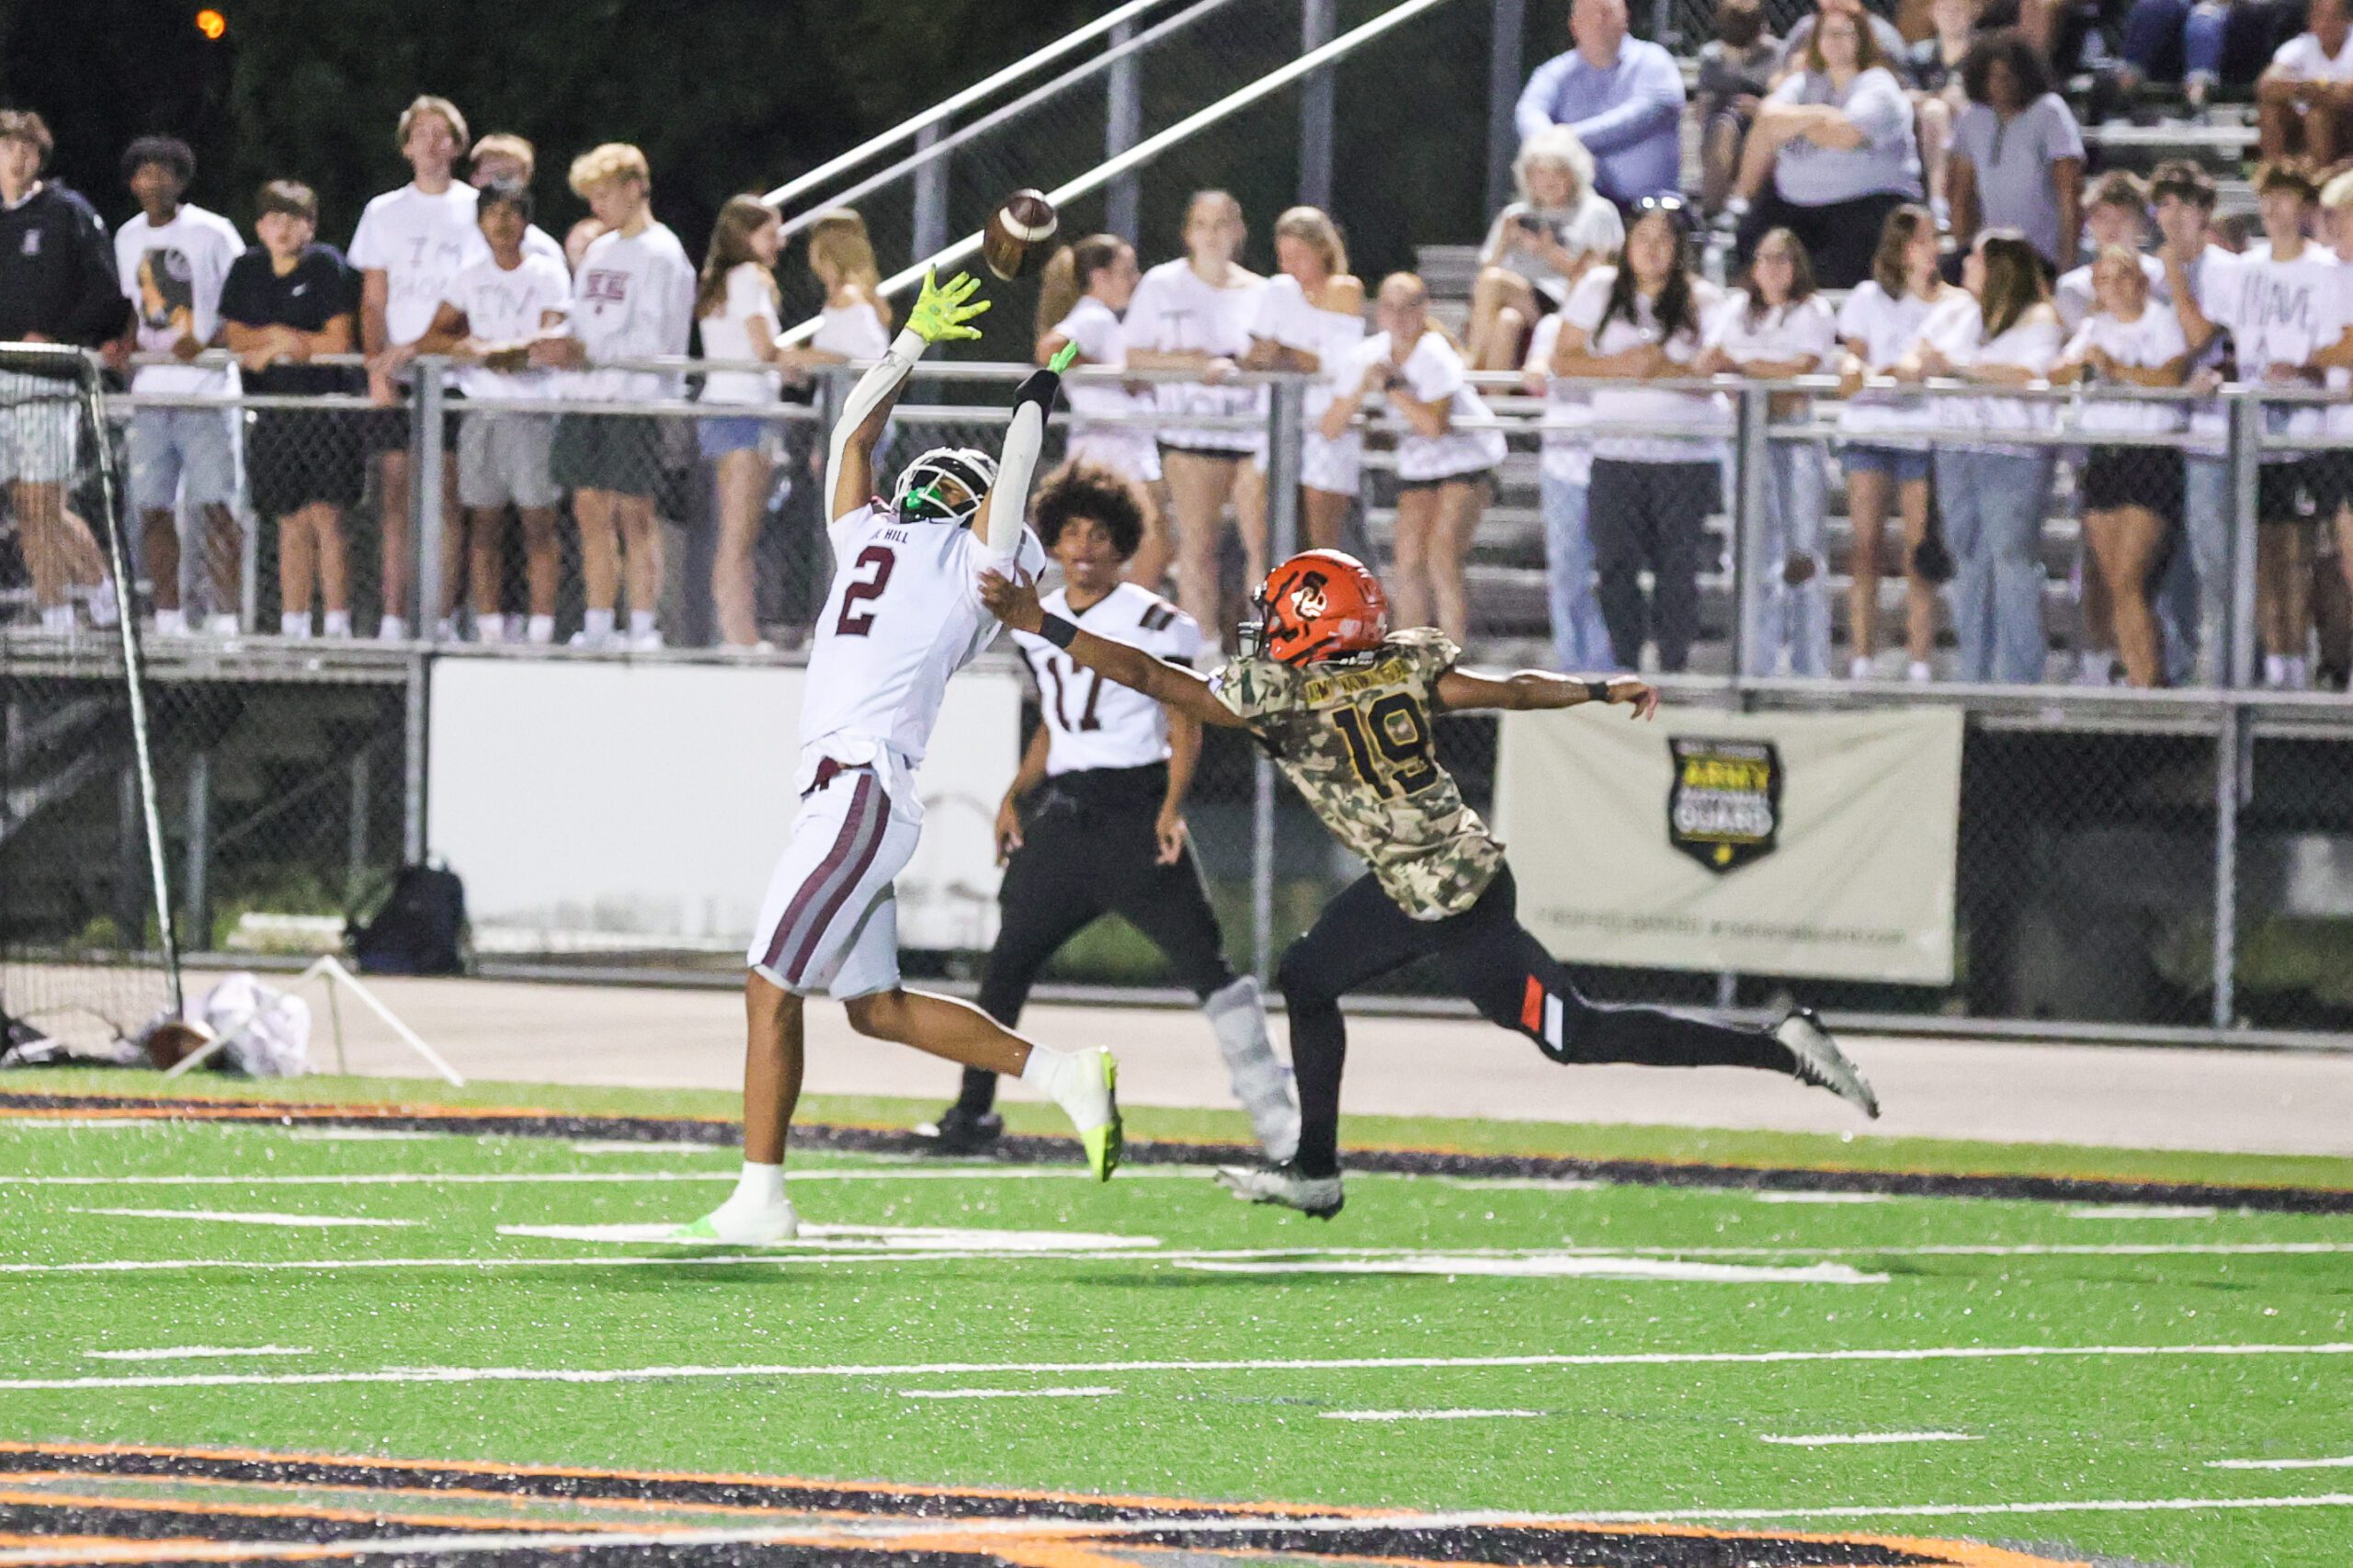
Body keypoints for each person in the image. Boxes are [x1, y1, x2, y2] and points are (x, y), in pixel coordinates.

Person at [978, 550, 1881, 1218]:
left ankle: (1780, 1044)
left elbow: (1148, 674)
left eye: (1280, 616)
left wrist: (1041, 622)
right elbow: (1513, 688)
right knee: (1342, 984)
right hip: (1462, 872)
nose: (1266, 630)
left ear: (1314, 625)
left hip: (1433, 892)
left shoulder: (1283, 690)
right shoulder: (1398, 662)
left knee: (1532, 1024)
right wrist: (1598, 688)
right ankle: (1315, 1165)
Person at [675, 272, 1120, 1245]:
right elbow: (854, 438)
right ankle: (1064, 1075)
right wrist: (909, 341)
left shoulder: (973, 565)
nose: (937, 483)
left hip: (862, 786)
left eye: (958, 484)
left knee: (768, 983)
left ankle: (762, 1198)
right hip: (843, 789)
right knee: (872, 1006)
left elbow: (1009, 474)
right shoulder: (868, 534)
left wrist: (1038, 389)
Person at [920, 461, 1292, 1161]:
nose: (1083, 548)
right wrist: (1015, 793)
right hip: (1065, 815)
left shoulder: (1157, 621)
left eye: (1098, 534)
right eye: (1070, 533)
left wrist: (1172, 807)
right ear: (1053, 541)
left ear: (1122, 542)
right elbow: (1056, 722)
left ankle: (1279, 1121)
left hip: (1135, 811)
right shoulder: (1036, 617)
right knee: (1005, 967)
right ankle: (970, 1113)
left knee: (1208, 966)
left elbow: (1184, 719)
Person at [2172, 163, 2336, 690]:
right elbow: (2228, 341)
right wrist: (2218, 373)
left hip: (2305, 434)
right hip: (2251, 435)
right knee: (2260, 558)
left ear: (2304, 206)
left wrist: (2305, 368)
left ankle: (2302, 663)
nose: (2272, 208)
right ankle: (2272, 668)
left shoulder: (2327, 268)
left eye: (2284, 198)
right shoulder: (2244, 269)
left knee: (2299, 557)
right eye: (2266, 198)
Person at [1554, 195, 1727, 674]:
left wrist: (1661, 369)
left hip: (1685, 456)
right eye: (1642, 238)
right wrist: (1623, 365)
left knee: (1678, 567)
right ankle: (1625, 664)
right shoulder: (1598, 288)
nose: (1651, 250)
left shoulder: (1705, 300)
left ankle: (1673, 666)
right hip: (1616, 451)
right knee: (1615, 565)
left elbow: (1713, 372)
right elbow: (1563, 359)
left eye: (1663, 240)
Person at [540, 143, 696, 652]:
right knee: (590, 512)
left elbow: (654, 338)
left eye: (604, 194)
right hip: (589, 399)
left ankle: (643, 626)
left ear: (634, 188)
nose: (596, 206)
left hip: (636, 401)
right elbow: (584, 317)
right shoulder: (600, 250)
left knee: (636, 515)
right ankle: (599, 622)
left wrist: (586, 351)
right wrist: (559, 338)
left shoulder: (662, 253)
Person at [1901, 229, 2066, 684]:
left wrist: (1956, 368)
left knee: (2011, 559)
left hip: (2013, 452)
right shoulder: (1956, 313)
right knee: (1968, 559)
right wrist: (1919, 367)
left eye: (1976, 258)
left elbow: (2027, 373)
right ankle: (1976, 673)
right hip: (1957, 447)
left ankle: (2020, 678)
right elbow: (1915, 357)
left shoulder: (2038, 316)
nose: (1967, 264)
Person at [350, 96, 483, 641]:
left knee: (448, 499)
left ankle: (442, 618)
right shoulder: (384, 211)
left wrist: (434, 343)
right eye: (420, 133)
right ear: (406, 147)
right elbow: (373, 299)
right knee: (396, 498)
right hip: (398, 375)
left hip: (454, 376)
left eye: (440, 133)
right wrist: (376, 368)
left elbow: (481, 292)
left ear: (457, 144)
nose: (430, 143)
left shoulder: (477, 207)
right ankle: (393, 616)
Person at [416, 179, 571, 644]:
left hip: (533, 412)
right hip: (482, 412)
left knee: (539, 523)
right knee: (484, 525)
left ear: (526, 221)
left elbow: (550, 337)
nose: (502, 223)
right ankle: (489, 627)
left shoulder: (547, 272)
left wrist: (504, 351)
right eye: (492, 214)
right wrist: (468, 348)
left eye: (511, 213)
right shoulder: (469, 276)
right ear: (480, 222)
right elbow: (432, 336)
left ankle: (541, 628)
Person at [1322, 276, 1505, 645]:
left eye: (1408, 308)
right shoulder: (1369, 355)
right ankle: (1410, 655)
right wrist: (1362, 387)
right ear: (1379, 312)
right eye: (1390, 307)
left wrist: (1392, 388)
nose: (1399, 317)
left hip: (1466, 461)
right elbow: (1331, 426)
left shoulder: (1435, 351)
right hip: (1420, 467)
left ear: (1423, 310)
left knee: (1442, 555)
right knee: (1406, 561)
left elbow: (1434, 426)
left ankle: (1452, 653)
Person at [0, 109, 127, 634]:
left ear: (40, 157)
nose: (16, 157)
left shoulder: (66, 212)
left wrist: (57, 339)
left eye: (26, 148)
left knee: (43, 504)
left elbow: (105, 294)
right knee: (23, 505)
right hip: (1, 379)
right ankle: (62, 612)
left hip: (47, 378)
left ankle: (91, 602)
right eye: (7, 146)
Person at [112, 136, 245, 637]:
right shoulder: (127, 237)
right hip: (151, 393)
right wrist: (126, 346)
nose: (153, 182)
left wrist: (209, 341)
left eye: (163, 173)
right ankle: (168, 617)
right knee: (152, 507)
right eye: (143, 174)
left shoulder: (213, 231)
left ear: (181, 180)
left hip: (207, 389)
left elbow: (242, 298)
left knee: (216, 506)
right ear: (132, 183)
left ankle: (225, 620)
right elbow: (134, 304)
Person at [220, 180, 364, 639]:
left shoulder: (325, 265)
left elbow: (337, 342)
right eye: (272, 219)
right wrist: (285, 339)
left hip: (325, 407)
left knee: (327, 517)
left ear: (310, 226)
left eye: (292, 219)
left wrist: (280, 343)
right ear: (259, 227)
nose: (282, 229)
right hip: (275, 409)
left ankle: (337, 624)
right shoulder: (248, 268)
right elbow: (236, 338)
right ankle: (294, 624)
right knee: (290, 520)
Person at [1699, 228, 1841, 676]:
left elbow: (1801, 372)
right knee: (1751, 554)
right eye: (1765, 259)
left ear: (1797, 266)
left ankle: (1809, 669)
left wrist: (1743, 368)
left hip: (1794, 435)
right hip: (1743, 436)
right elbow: (1709, 361)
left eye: (1783, 260)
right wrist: (1765, 373)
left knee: (1803, 554)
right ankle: (1754, 666)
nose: (1773, 269)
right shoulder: (1737, 309)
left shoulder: (1812, 310)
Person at [1124, 191, 1267, 634]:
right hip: (1191, 434)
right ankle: (1200, 649)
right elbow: (1134, 357)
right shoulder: (1162, 284)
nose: (1212, 235)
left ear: (1238, 231)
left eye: (1222, 224)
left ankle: (1268, 645)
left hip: (1252, 434)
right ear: (1188, 233)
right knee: (1198, 548)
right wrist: (1193, 364)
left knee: (1262, 549)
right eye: (1202, 225)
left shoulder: (1261, 291)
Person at [2054, 245, 2190, 689]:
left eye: (2120, 277)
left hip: (2149, 454)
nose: (2111, 288)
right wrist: (2078, 367)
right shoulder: (2094, 327)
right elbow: (2059, 371)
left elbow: (2171, 376)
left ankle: (2148, 680)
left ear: (2140, 282)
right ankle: (2138, 675)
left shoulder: (2161, 321)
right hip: (2105, 454)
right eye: (2103, 280)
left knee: (2131, 577)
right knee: (2116, 582)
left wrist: (2119, 369)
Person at [1836, 204, 1961, 681]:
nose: (1930, 248)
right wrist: (1864, 371)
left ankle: (1920, 658)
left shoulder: (1952, 304)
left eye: (1932, 238)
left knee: (1918, 549)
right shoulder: (1867, 297)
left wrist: (1885, 373)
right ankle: (1862, 655)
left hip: (1922, 434)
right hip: (1869, 430)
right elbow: (1854, 359)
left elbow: (1929, 364)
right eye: (1920, 239)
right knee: (1865, 545)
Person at [1731, 3, 1925, 288]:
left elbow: (1844, 135)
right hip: (1795, 205)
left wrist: (1795, 123)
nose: (1834, 40)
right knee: (1752, 237)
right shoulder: (1804, 83)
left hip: (1864, 205)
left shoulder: (1879, 85)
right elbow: (1767, 119)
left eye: (1844, 33)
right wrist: (1820, 116)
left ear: (1862, 40)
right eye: (1827, 33)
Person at [2153, 160, 2236, 686]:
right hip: (2163, 433)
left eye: (2186, 204)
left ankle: (2231, 678)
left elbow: (2200, 336)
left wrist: (2175, 278)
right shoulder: (2150, 271)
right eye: (2164, 204)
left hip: (2214, 436)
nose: (2174, 215)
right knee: (2168, 564)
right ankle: (2177, 670)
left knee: (2217, 564)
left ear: (2206, 211)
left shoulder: (2224, 268)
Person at [1242, 207, 1366, 551]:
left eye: (1298, 256)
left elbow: (1336, 363)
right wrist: (1278, 355)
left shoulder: (1344, 290)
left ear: (1322, 249)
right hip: (1278, 421)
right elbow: (1256, 352)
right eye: (1284, 257)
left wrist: (1284, 352)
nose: (1289, 267)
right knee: (1264, 528)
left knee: (1321, 537)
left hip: (1326, 420)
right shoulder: (1278, 290)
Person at [694, 195, 787, 650]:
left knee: (736, 533)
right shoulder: (748, 276)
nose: (780, 242)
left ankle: (736, 631)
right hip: (744, 412)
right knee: (739, 536)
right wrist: (813, 361)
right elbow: (765, 349)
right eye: (771, 234)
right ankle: (738, 636)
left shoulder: (720, 281)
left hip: (725, 409)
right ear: (745, 237)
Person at [1467, 127, 1623, 372]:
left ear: (1574, 175)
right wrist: (1505, 241)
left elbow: (1604, 274)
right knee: (1507, 320)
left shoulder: (1597, 212)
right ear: (1528, 177)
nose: (1549, 181)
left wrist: (1548, 251)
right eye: (1540, 172)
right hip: (1520, 300)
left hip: (1566, 299)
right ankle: (1495, 393)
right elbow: (1484, 274)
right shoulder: (1515, 215)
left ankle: (1469, 365)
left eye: (1559, 172)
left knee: (1494, 281)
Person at [1514, 0, 1687, 209]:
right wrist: (1549, 143)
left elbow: (1646, 111)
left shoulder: (1654, 60)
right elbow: (1529, 111)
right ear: (1574, 26)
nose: (1599, 21)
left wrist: (1568, 139)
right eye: (1589, 15)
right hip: (1573, 210)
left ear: (1626, 19)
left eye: (1607, 13)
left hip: (1648, 209)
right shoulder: (1554, 72)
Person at [1034, 233, 1161, 504]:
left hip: (1116, 446)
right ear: (1100, 277)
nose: (1136, 279)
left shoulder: (1103, 319)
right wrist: (1110, 375)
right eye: (1127, 272)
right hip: (1111, 450)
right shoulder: (1093, 317)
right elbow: (1050, 348)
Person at [1949, 29, 2085, 276]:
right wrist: (1964, 255)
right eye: (1993, 76)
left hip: (2041, 257)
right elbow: (1961, 195)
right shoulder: (1971, 119)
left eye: (2008, 76)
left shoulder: (2050, 112)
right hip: (1990, 259)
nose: (2001, 85)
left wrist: (2066, 265)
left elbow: (2070, 193)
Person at [1523, 312, 1611, 672]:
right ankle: (1573, 662)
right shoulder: (1552, 326)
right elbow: (1535, 374)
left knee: (1614, 567)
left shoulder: (1625, 325)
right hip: (1563, 466)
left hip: (1617, 458)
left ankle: (1612, 662)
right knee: (1566, 566)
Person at [1696, 0, 1785, 218]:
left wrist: (1760, 110)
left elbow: (1781, 100)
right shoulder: (1713, 57)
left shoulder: (1776, 55)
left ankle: (1729, 207)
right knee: (1723, 127)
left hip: (1762, 125)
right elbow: (1703, 106)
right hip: (1722, 125)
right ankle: (1713, 212)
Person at [2054, 173, 2167, 334]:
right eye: (2103, 217)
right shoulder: (2072, 287)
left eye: (2123, 217)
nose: (2112, 226)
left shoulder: (2164, 275)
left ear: (2142, 225)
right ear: (2090, 224)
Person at [2257, 0, 2353, 165]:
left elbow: (2346, 93)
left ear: (2347, 19)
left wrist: (2319, 93)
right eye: (2320, 17)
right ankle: (2277, 168)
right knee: (2271, 108)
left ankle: (2320, 170)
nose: (2326, 24)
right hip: (2307, 121)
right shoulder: (2300, 46)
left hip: (2346, 123)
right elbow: (2266, 85)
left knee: (2319, 113)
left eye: (2334, 17)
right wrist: (2306, 89)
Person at [1909, 0, 1977, 225]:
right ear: (1932, 13)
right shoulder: (1919, 55)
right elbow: (1906, 95)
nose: (1951, 16)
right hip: (1929, 131)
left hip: (1972, 125)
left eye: (1958, 9)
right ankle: (1939, 202)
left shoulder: (1982, 53)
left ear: (1974, 12)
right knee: (1934, 112)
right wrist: (1939, 98)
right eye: (1945, 9)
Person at [465, 132, 568, 268]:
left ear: (526, 179)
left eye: (508, 175)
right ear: (475, 178)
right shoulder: (452, 231)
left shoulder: (541, 249)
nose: (500, 184)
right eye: (492, 173)